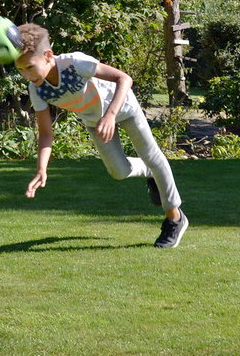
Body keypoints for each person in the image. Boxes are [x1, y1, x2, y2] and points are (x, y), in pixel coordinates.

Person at [14, 22, 187, 248]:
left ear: (48, 55)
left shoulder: (75, 63)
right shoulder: (37, 88)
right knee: (119, 171)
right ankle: (149, 172)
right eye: (20, 70)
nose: (26, 75)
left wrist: (111, 115)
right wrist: (41, 169)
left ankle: (175, 218)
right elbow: (46, 133)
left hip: (123, 107)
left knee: (152, 155)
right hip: (95, 121)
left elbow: (124, 79)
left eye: (29, 67)